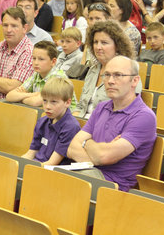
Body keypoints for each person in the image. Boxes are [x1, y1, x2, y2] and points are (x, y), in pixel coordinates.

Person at [67, 56, 156, 192]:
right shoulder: (102, 107)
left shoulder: (144, 116)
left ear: (134, 81)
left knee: (62, 184)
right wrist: (97, 157)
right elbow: (72, 148)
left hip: (112, 186)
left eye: (118, 75)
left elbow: (104, 156)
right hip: (88, 171)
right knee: (45, 175)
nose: (110, 81)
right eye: (107, 75)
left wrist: (86, 143)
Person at [74, 21, 136, 119]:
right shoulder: (92, 70)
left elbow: (126, 113)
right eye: (95, 42)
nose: (98, 47)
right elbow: (81, 106)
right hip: (83, 123)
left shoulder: (127, 73)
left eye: (104, 43)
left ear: (117, 46)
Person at [22, 77, 80, 165]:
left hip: (52, 171)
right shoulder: (42, 121)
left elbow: (52, 163)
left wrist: (29, 170)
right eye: (45, 101)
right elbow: (31, 153)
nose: (47, 106)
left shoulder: (71, 127)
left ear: (67, 103)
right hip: (37, 165)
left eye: (53, 102)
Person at [0, 7, 34, 100]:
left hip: (14, 107)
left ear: (25, 28)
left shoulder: (29, 51)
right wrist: (4, 87)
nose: (8, 30)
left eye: (14, 26)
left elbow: (14, 87)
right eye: (5, 25)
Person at [6, 41, 77, 109]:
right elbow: (9, 96)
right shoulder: (36, 75)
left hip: (66, 117)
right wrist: (32, 95)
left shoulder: (57, 77)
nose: (36, 63)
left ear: (53, 61)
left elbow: (36, 102)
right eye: (34, 58)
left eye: (41, 59)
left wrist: (20, 99)